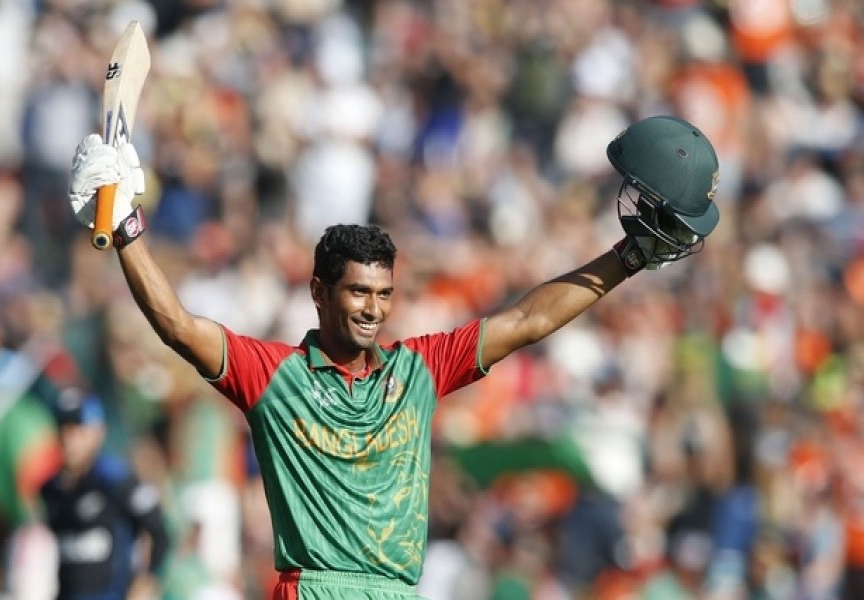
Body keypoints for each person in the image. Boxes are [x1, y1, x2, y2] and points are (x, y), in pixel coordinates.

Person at [66, 114, 720, 599]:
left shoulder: (417, 370)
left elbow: (528, 320)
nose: (373, 310)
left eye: (383, 295)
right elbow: (176, 325)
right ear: (318, 292)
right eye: (357, 292)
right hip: (314, 589)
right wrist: (127, 231)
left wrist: (628, 257)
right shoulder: (273, 376)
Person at [39, 387, 170, 600]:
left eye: (77, 430)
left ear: (97, 432)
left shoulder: (117, 481)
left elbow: (160, 532)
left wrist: (148, 581)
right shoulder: (50, 490)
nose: (69, 439)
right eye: (63, 428)